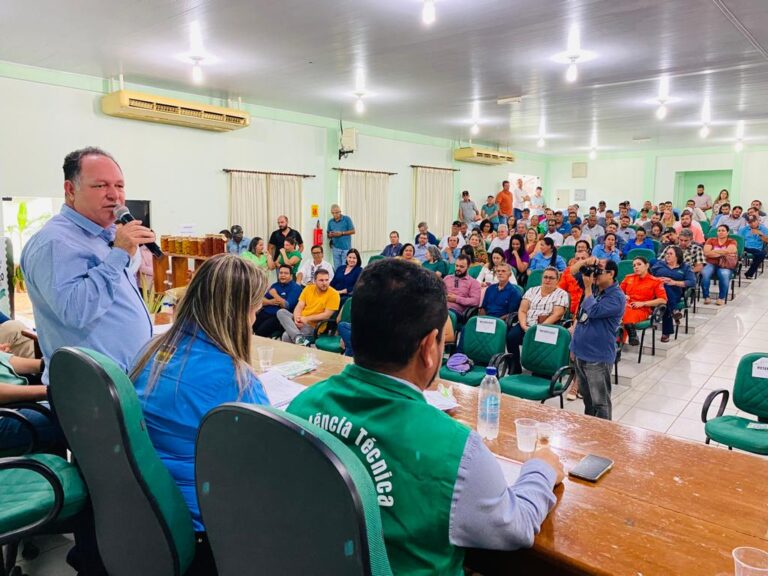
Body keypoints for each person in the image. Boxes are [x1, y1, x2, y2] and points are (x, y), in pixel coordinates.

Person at [286, 259, 562, 575]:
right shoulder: (456, 448)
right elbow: (518, 527)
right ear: (430, 347)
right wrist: (542, 468)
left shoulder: (302, 407)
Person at [132, 254, 269, 575]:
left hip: (146, 507)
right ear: (236, 314)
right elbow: (268, 464)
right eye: (254, 308)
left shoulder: (150, 350)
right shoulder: (236, 379)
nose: (256, 316)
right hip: (200, 527)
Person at [21, 147, 153, 383]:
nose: (114, 196)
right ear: (70, 190)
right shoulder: (55, 243)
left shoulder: (107, 235)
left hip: (124, 381)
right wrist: (120, 252)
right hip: (92, 392)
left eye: (119, 186)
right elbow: (75, 311)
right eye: (100, 186)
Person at [569, 259, 625, 420]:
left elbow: (592, 310)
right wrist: (587, 261)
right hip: (581, 352)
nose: (594, 274)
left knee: (600, 403)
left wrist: (587, 288)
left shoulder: (616, 297)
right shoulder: (595, 287)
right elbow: (573, 271)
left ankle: (604, 438)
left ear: (611, 274)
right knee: (588, 400)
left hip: (597, 357)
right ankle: (590, 431)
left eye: (599, 271)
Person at [505, 268, 568, 374]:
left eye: (551, 278)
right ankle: (515, 369)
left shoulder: (561, 294)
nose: (547, 280)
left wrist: (538, 328)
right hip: (527, 324)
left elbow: (557, 314)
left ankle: (540, 370)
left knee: (542, 340)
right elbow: (522, 310)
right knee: (511, 337)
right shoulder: (532, 290)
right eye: (545, 277)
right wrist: (524, 325)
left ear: (557, 280)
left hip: (547, 326)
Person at [277, 269, 340, 345]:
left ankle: (300, 343)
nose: (325, 283)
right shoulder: (308, 288)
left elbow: (326, 315)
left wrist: (306, 319)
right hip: (301, 319)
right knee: (281, 312)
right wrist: (297, 319)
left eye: (327, 280)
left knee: (286, 336)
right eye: (321, 280)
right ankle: (299, 338)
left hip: (313, 326)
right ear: (315, 281)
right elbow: (299, 306)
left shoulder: (334, 294)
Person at [651, 246, 696, 342]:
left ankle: (671, 315)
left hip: (676, 292)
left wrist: (674, 282)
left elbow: (692, 282)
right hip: (657, 291)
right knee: (664, 288)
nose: (667, 256)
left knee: (665, 297)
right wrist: (658, 280)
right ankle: (673, 311)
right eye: (667, 253)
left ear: (677, 256)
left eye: (670, 254)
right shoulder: (659, 265)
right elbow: (649, 277)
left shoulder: (685, 267)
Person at [620, 257, 667, 346]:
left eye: (639, 264)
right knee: (622, 311)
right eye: (634, 265)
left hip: (642, 309)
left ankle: (619, 343)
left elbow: (663, 300)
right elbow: (618, 292)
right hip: (626, 305)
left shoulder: (656, 281)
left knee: (625, 313)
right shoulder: (628, 278)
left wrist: (643, 303)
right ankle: (631, 334)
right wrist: (623, 296)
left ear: (647, 265)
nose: (636, 267)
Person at [252, 264, 303, 337]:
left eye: (286, 273)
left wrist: (275, 294)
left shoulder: (296, 288)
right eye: (281, 273)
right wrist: (270, 302)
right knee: (249, 325)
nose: (282, 275)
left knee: (259, 333)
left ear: (291, 276)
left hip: (278, 317)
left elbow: (286, 306)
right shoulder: (275, 285)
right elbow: (261, 300)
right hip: (265, 312)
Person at [701, 224, 738, 305]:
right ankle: (706, 297)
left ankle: (721, 298)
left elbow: (731, 250)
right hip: (710, 263)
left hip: (725, 264)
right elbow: (706, 252)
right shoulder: (711, 240)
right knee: (705, 273)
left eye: (723, 230)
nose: (720, 232)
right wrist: (723, 253)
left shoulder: (732, 241)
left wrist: (713, 252)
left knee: (724, 274)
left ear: (727, 232)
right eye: (719, 230)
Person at [327, 204, 355, 270]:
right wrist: (330, 234)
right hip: (335, 248)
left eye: (337, 212)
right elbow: (328, 233)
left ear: (340, 212)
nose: (335, 214)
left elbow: (353, 231)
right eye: (333, 213)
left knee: (345, 268)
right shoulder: (330, 222)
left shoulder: (347, 219)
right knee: (337, 269)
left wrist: (342, 233)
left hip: (346, 248)